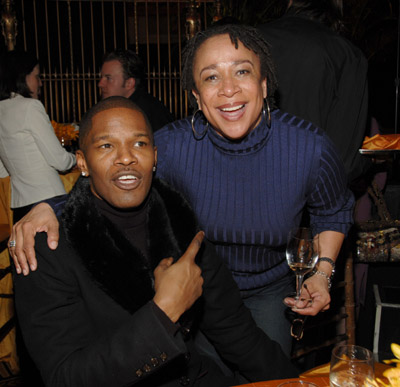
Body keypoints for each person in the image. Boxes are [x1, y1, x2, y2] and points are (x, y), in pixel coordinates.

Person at [10, 24, 354, 356]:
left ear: (264, 85)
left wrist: (322, 273)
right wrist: (51, 207)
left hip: (269, 292)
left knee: (268, 374)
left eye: (242, 72)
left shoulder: (308, 147)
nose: (228, 89)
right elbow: (116, 175)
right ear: (196, 96)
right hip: (196, 286)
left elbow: (333, 210)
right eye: (211, 77)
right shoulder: (172, 147)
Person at [13, 96, 298, 386]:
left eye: (139, 143)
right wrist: (162, 313)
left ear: (155, 157)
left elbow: (236, 332)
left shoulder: (180, 224)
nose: (126, 157)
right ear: (83, 162)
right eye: (106, 146)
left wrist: (296, 383)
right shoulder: (47, 246)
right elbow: (66, 378)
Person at [258, 0, 369, 184]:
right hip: (313, 199)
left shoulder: (250, 41)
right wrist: (370, 162)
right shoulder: (347, 55)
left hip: (249, 192)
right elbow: (344, 164)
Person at [0, 50, 76, 223]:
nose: (41, 83)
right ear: (22, 77)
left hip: (20, 206)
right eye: (37, 76)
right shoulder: (30, 107)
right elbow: (60, 161)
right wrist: (77, 158)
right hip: (48, 200)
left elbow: (2, 169)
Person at [98, 49, 175, 132]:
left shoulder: (148, 114)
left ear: (129, 83)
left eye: (108, 78)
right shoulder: (122, 107)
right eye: (101, 77)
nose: (100, 84)